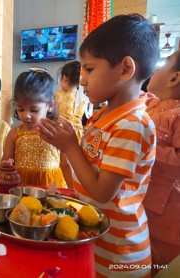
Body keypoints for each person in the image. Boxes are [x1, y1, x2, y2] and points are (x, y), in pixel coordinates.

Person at [38, 14, 160, 277]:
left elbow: (102, 192)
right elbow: (90, 168)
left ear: (125, 69)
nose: (82, 80)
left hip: (120, 255)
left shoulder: (132, 125)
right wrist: (66, 142)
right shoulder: (103, 115)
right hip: (98, 239)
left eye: (89, 69)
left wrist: (70, 147)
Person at [143, 50, 180, 274]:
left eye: (164, 63)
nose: (157, 68)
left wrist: (144, 149)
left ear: (174, 77)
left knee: (161, 266)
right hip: (143, 199)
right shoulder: (152, 104)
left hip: (167, 211)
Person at [1, 68, 66, 188]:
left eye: (34, 110)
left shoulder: (57, 132)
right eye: (20, 109)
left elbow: (66, 164)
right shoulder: (14, 133)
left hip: (51, 186)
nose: (26, 115)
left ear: (50, 106)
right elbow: (6, 162)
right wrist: (6, 165)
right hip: (21, 185)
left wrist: (72, 193)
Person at [54, 60, 87, 187]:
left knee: (63, 163)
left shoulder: (57, 95)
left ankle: (69, 186)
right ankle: (75, 184)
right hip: (78, 133)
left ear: (64, 78)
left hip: (62, 132)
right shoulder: (83, 97)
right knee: (75, 162)